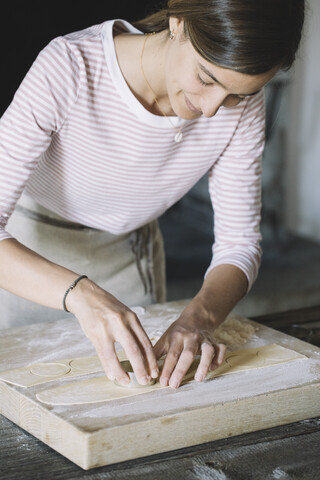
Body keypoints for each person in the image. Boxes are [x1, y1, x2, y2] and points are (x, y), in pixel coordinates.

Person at [0, 0, 305, 389]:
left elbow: (240, 244)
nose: (213, 110)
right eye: (206, 78)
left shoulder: (241, 103)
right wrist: (80, 293)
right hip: (25, 256)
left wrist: (199, 319)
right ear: (178, 21)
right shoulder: (70, 66)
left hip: (131, 258)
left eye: (236, 95)